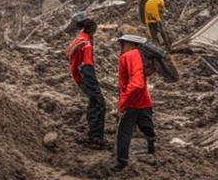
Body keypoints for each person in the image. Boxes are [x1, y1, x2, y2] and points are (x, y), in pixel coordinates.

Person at [114, 34, 157, 169]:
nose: (122, 47)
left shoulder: (129, 56)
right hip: (144, 101)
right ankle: (150, 155)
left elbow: (136, 83)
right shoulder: (141, 58)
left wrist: (123, 103)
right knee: (147, 128)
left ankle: (121, 163)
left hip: (132, 101)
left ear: (130, 44)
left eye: (123, 44)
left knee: (124, 132)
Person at [64, 13, 106, 148]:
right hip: (84, 76)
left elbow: (68, 53)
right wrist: (94, 85)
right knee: (98, 104)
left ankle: (94, 135)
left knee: (94, 103)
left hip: (77, 74)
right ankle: (95, 138)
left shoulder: (79, 39)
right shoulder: (86, 43)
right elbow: (87, 66)